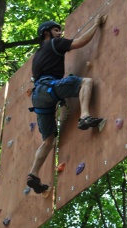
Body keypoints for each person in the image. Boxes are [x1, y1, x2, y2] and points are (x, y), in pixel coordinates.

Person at [27, 14, 106, 194]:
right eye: (56, 30)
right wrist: (95, 24)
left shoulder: (37, 55)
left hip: (39, 97)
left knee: (48, 140)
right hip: (49, 88)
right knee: (86, 82)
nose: (60, 32)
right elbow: (79, 42)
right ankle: (85, 116)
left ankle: (33, 174)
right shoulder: (55, 43)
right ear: (46, 33)